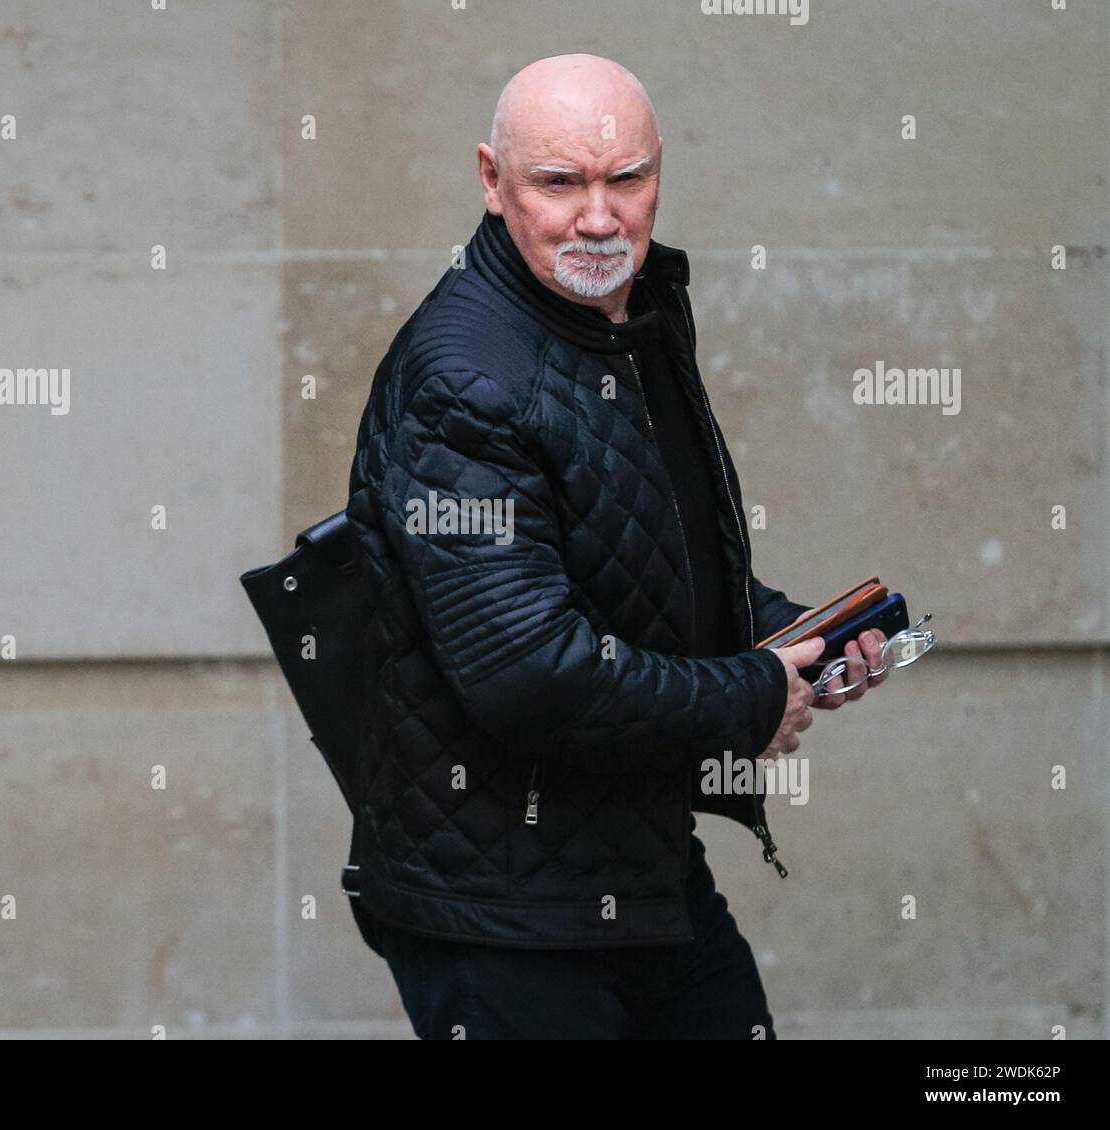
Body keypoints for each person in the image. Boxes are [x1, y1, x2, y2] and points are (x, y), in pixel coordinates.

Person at [345, 52, 887, 1039]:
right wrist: (752, 692)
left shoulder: (632, 315)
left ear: (657, 170)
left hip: (633, 865)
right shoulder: (463, 377)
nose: (599, 218)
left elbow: (641, 560)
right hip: (503, 906)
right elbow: (529, 670)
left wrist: (797, 638)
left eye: (625, 178)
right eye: (559, 183)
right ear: (490, 179)